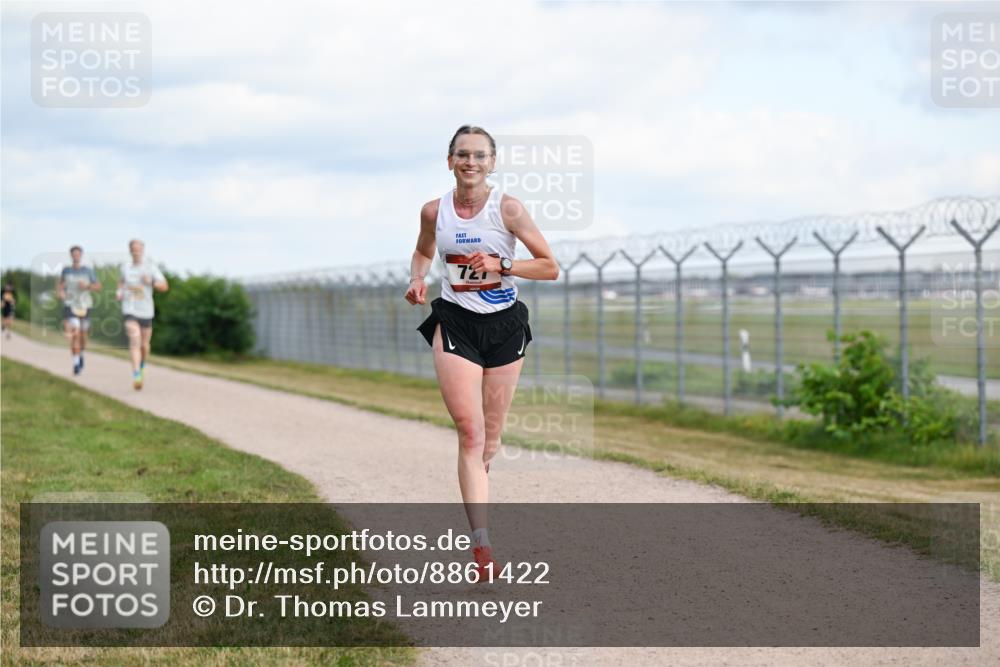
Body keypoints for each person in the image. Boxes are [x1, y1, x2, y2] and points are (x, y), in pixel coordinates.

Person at [405, 126, 559, 582]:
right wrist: (417, 279)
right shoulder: (434, 211)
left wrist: (502, 264)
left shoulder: (507, 208)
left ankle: (482, 480)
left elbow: (549, 267)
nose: (470, 162)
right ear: (449, 161)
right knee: (470, 432)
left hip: (505, 325)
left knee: (490, 438)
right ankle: (482, 545)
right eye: (462, 154)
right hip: (455, 321)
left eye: (479, 155)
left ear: (492, 162)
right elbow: (422, 251)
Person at [116, 239, 168, 390]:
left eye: (138, 249)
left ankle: (142, 364)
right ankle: (137, 374)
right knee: (134, 339)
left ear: (143, 250)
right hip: (129, 309)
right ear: (130, 250)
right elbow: (121, 282)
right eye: (133, 249)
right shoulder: (125, 267)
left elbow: (165, 286)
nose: (136, 252)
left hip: (146, 310)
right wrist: (119, 292)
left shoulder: (150, 267)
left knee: (144, 345)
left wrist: (150, 282)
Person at [56, 246, 101, 375]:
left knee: (83, 335)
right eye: (74, 254)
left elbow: (98, 287)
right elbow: (60, 285)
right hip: (70, 305)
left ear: (81, 255)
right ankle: (76, 363)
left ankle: (81, 353)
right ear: (71, 255)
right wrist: (61, 293)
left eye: (78, 254)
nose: (76, 256)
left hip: (85, 305)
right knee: (75, 333)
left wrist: (87, 286)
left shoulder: (88, 271)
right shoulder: (66, 270)